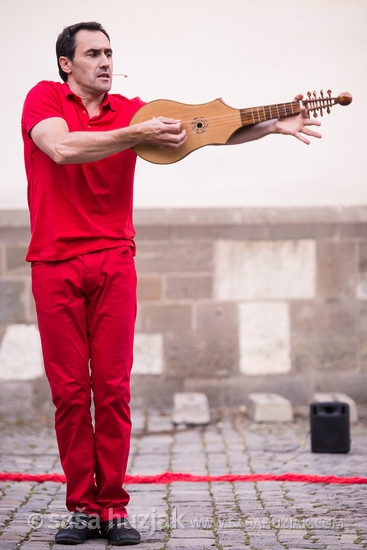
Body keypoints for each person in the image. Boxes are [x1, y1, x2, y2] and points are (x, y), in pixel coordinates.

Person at [21, 21, 322, 546]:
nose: (106, 62)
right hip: (54, 264)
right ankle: (82, 509)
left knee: (112, 390)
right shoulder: (44, 98)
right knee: (70, 393)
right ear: (67, 63)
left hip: (114, 259)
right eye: (93, 53)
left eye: (111, 52)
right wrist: (136, 135)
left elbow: (208, 129)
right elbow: (63, 149)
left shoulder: (134, 110)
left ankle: (112, 508)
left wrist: (271, 124)